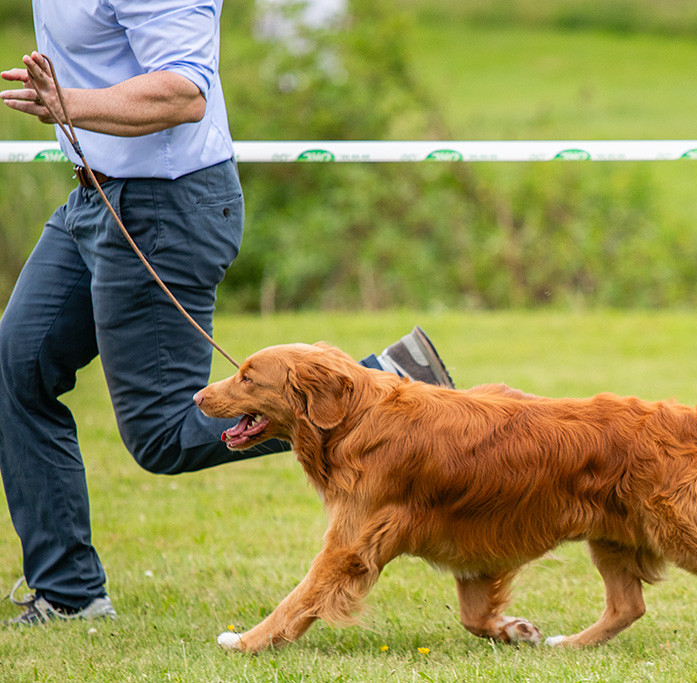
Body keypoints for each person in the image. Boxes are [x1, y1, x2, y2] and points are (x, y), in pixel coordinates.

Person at [0, 0, 453, 626]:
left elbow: (185, 92)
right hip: (94, 193)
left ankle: (386, 383)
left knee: (163, 433)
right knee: (15, 365)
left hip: (163, 207)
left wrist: (67, 103)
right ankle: (69, 592)